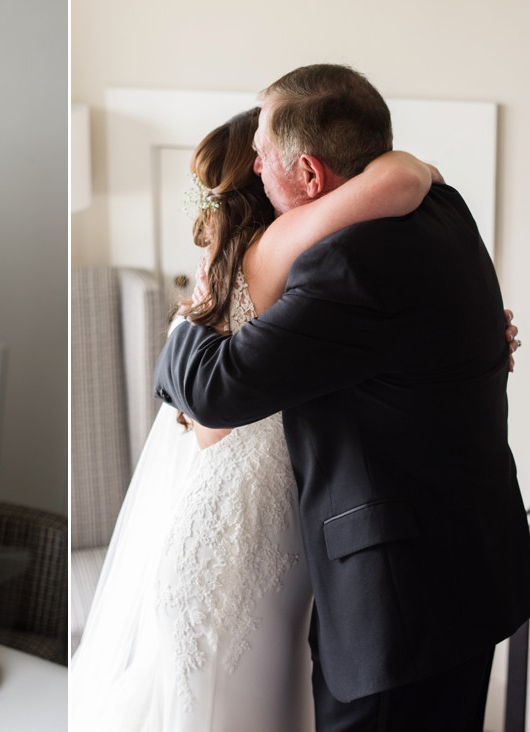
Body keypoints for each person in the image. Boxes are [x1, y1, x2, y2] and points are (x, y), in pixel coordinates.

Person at [153, 64, 530, 731]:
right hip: (471, 567)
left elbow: (211, 391)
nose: (255, 166)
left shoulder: (347, 268)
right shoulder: (442, 207)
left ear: (309, 175)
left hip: (399, 611)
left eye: (265, 155)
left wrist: (208, 282)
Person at [72, 105, 457, 730]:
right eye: (261, 156)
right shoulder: (275, 250)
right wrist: (410, 163)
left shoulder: (244, 263)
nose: (264, 160)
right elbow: (211, 426)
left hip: (273, 528)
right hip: (239, 527)